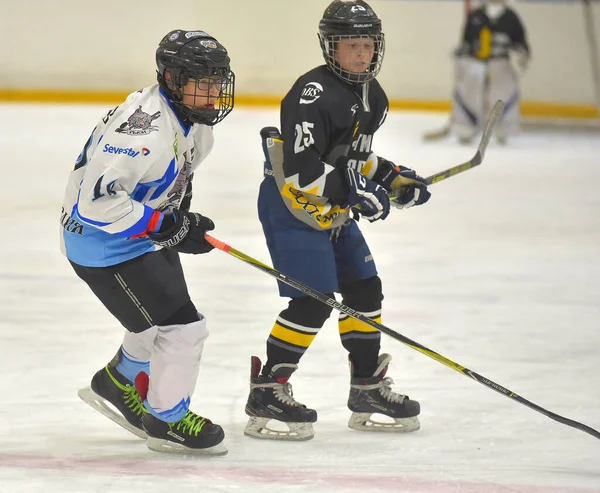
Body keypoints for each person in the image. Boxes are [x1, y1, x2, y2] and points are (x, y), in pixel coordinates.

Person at [244, 0, 431, 441]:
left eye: (367, 45)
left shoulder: (374, 95)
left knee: (365, 287)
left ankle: (366, 384)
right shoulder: (311, 93)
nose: (361, 54)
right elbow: (302, 171)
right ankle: (267, 389)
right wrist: (355, 192)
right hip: (291, 203)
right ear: (331, 47)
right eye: (351, 46)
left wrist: (393, 178)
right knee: (314, 299)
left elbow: (355, 158)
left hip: (331, 205)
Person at [59, 29, 235, 456]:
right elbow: (95, 205)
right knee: (184, 327)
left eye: (218, 79)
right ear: (173, 78)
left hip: (134, 236)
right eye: (202, 80)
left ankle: (119, 380)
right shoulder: (143, 131)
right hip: (103, 245)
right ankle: (166, 418)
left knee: (159, 318)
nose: (213, 91)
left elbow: (171, 181)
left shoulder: (191, 122)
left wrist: (179, 220)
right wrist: (163, 223)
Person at [451, 0, 530, 144]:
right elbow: (466, 40)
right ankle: (465, 129)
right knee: (468, 91)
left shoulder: (511, 16)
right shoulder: (476, 14)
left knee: (505, 92)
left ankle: (503, 130)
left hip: (501, 61)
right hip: (476, 61)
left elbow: (521, 41)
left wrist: (521, 54)